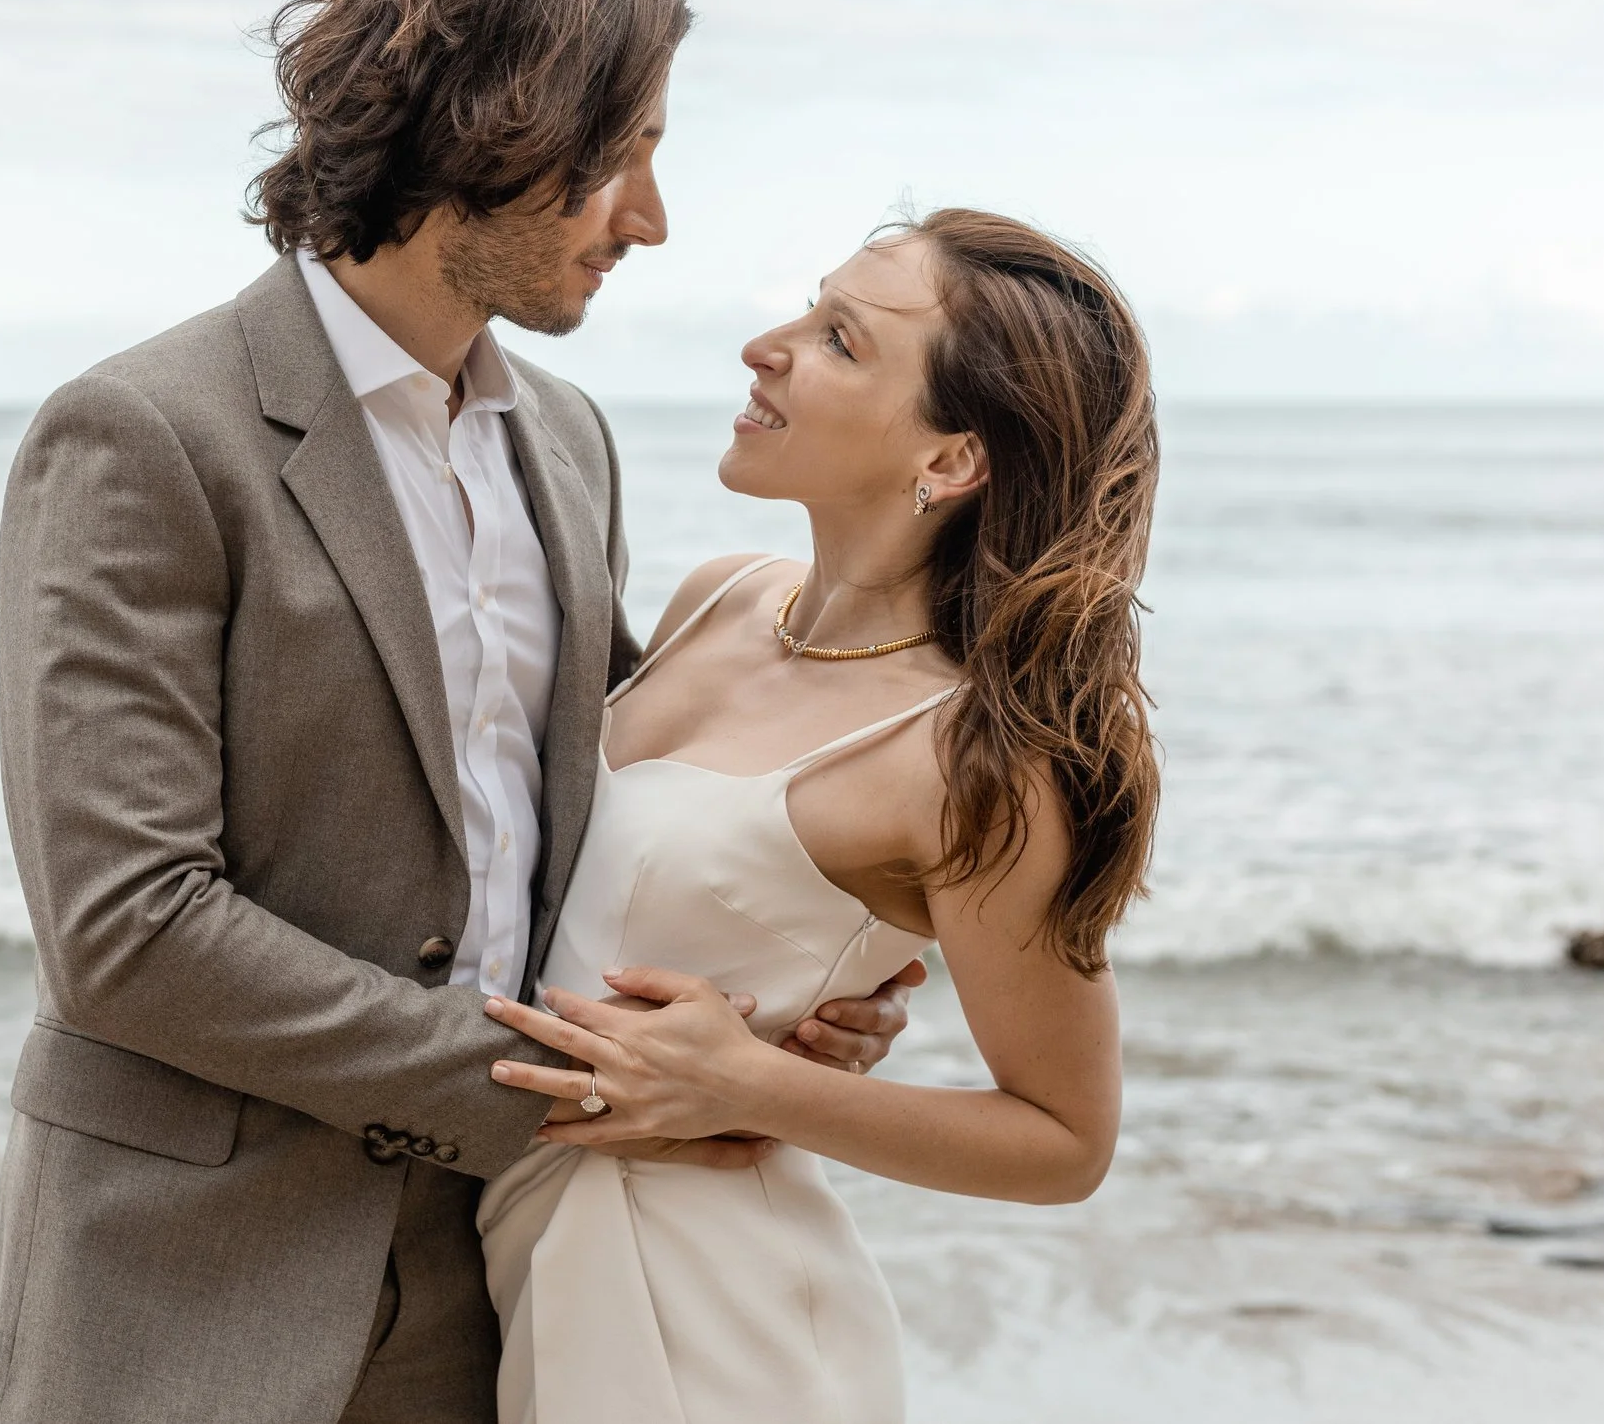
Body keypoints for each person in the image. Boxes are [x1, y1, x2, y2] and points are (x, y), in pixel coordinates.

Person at [0, 0, 921, 1424]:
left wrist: (786, 1003)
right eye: (625, 155)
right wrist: (565, 1102)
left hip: (517, 1283)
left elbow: (622, 809)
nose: (650, 218)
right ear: (490, 124)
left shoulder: (567, 442)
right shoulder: (150, 434)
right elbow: (127, 926)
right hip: (193, 1283)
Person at [478, 208, 1162, 1423]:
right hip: (507, 1257)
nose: (766, 344)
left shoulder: (971, 760)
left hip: (710, 1323)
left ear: (950, 460)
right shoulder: (714, 598)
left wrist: (756, 1085)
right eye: (807, 309)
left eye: (839, 340)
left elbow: (1064, 1138)